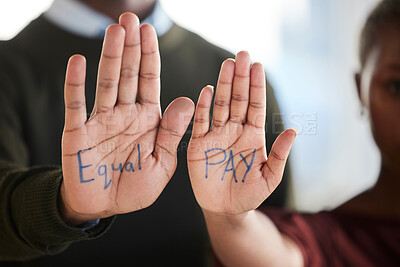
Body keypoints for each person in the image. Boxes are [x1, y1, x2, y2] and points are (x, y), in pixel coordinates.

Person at [0, 0, 288, 266]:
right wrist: (65, 205)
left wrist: (231, 221)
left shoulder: (244, 85)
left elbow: (285, 238)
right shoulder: (8, 69)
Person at [187, 0, 400, 266]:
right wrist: (229, 218)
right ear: (361, 91)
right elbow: (281, 257)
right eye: (396, 86)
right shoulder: (327, 239)